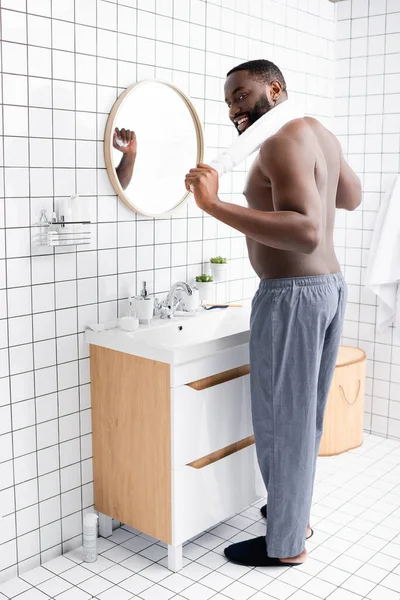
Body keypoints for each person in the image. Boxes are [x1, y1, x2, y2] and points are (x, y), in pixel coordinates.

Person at [185, 59, 362, 568]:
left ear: (275, 89)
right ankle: (292, 514)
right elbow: (350, 197)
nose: (233, 110)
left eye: (240, 96)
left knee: (283, 422)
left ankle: (285, 545)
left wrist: (214, 205)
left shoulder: (279, 140)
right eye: (228, 103)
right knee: (303, 419)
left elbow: (305, 231)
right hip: (327, 288)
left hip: (292, 296)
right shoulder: (316, 133)